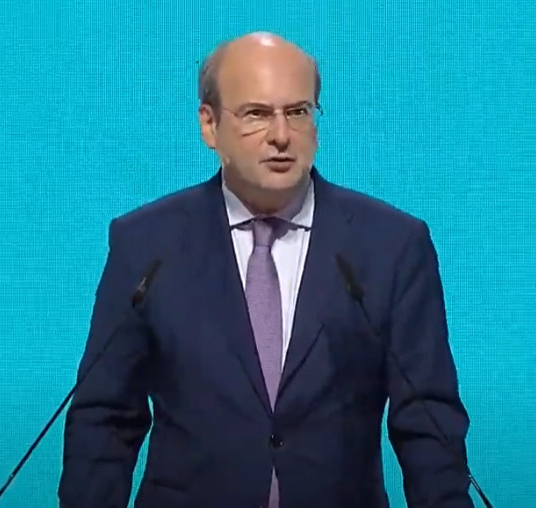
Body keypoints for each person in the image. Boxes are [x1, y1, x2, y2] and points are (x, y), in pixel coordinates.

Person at [57, 32, 472, 508]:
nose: (281, 135)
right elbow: (105, 418)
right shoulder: (147, 244)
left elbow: (427, 423)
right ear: (209, 125)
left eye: (298, 112)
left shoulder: (391, 245)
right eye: (256, 114)